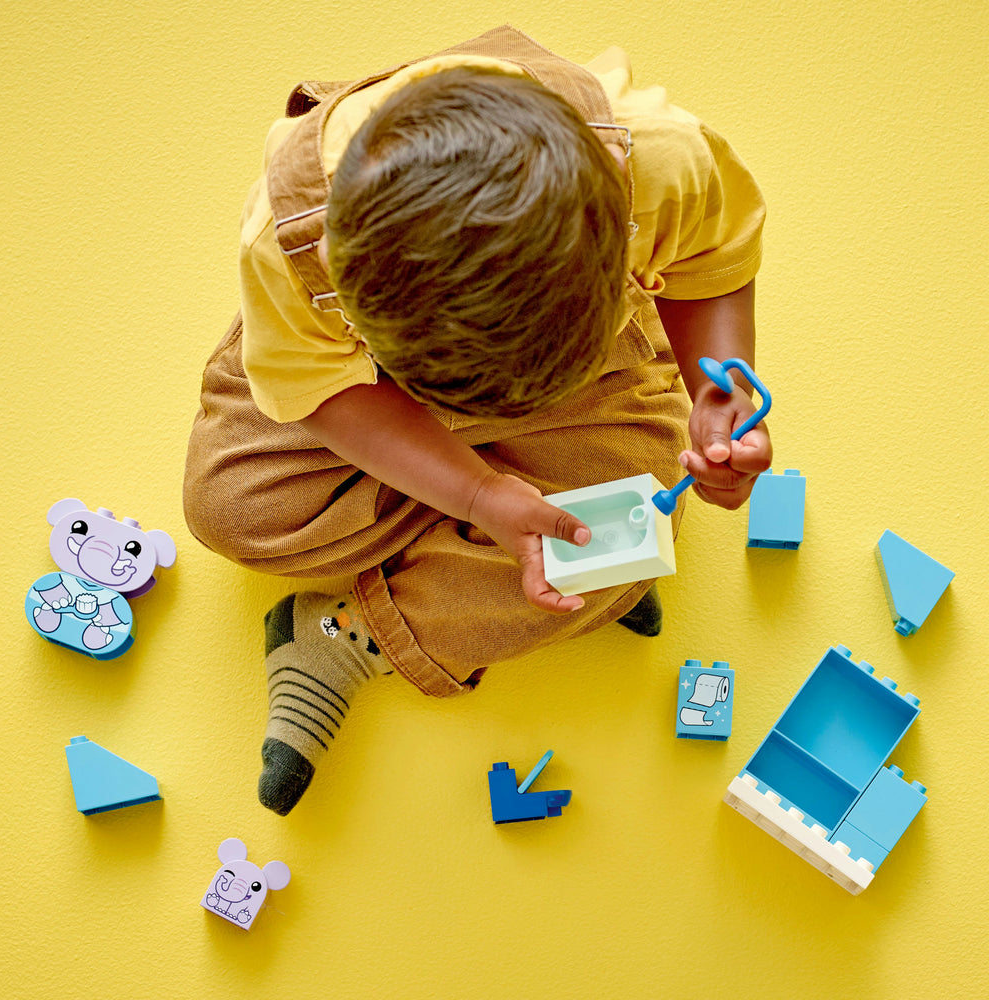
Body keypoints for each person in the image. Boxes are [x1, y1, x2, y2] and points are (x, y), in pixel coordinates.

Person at [183, 26, 772, 815]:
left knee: (637, 516)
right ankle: (536, 564)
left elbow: (713, 265)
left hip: (588, 363)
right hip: (364, 382)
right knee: (229, 508)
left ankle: (350, 638)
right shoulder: (289, 244)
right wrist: (475, 496)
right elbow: (322, 391)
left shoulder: (664, 159)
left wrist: (716, 387)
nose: (479, 421)